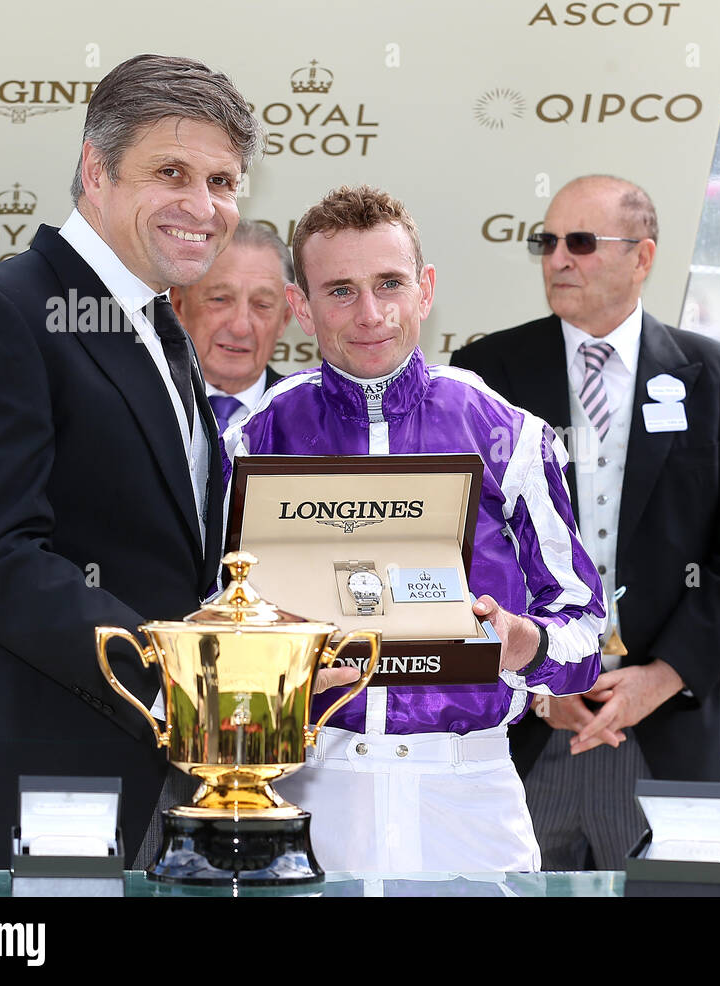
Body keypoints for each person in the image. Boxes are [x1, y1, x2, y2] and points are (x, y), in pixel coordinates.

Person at [0, 54, 262, 868]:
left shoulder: (161, 330)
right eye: (170, 172)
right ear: (96, 171)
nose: (203, 206)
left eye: (224, 181)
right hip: (49, 790)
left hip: (167, 790)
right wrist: (180, 682)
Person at [225, 184, 605, 872]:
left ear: (425, 289)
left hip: (470, 794)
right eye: (340, 290)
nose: (370, 314)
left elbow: (584, 631)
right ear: (301, 308)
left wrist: (526, 644)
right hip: (305, 791)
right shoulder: (255, 436)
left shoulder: (506, 432)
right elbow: (206, 620)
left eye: (389, 283)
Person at [452, 175, 720, 869]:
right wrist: (537, 683)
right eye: (549, 242)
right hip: (523, 733)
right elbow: (467, 550)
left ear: (643, 258)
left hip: (662, 729)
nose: (559, 258)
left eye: (583, 243)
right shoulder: (485, 373)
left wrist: (663, 677)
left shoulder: (718, 378)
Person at [172, 219, 291, 434]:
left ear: (284, 319)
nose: (240, 327)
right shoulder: (140, 403)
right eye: (220, 299)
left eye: (262, 305)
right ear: (179, 305)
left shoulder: (316, 421)